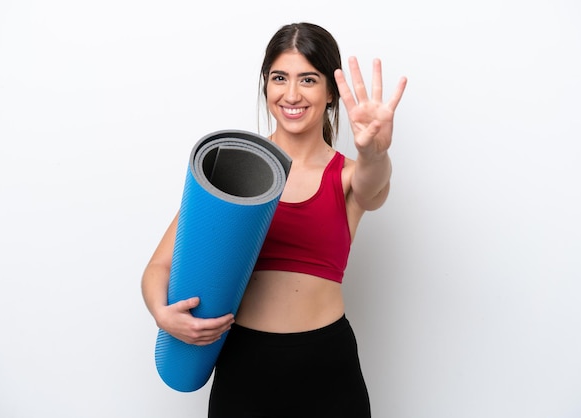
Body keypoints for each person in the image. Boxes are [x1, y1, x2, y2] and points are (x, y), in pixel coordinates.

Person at [141, 22, 407, 417]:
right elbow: (159, 267)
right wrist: (163, 315)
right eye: (279, 78)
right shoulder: (233, 170)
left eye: (309, 79)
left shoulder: (349, 175)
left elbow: (375, 188)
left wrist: (375, 153)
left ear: (331, 93)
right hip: (245, 366)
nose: (292, 94)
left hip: (327, 369)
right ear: (266, 85)